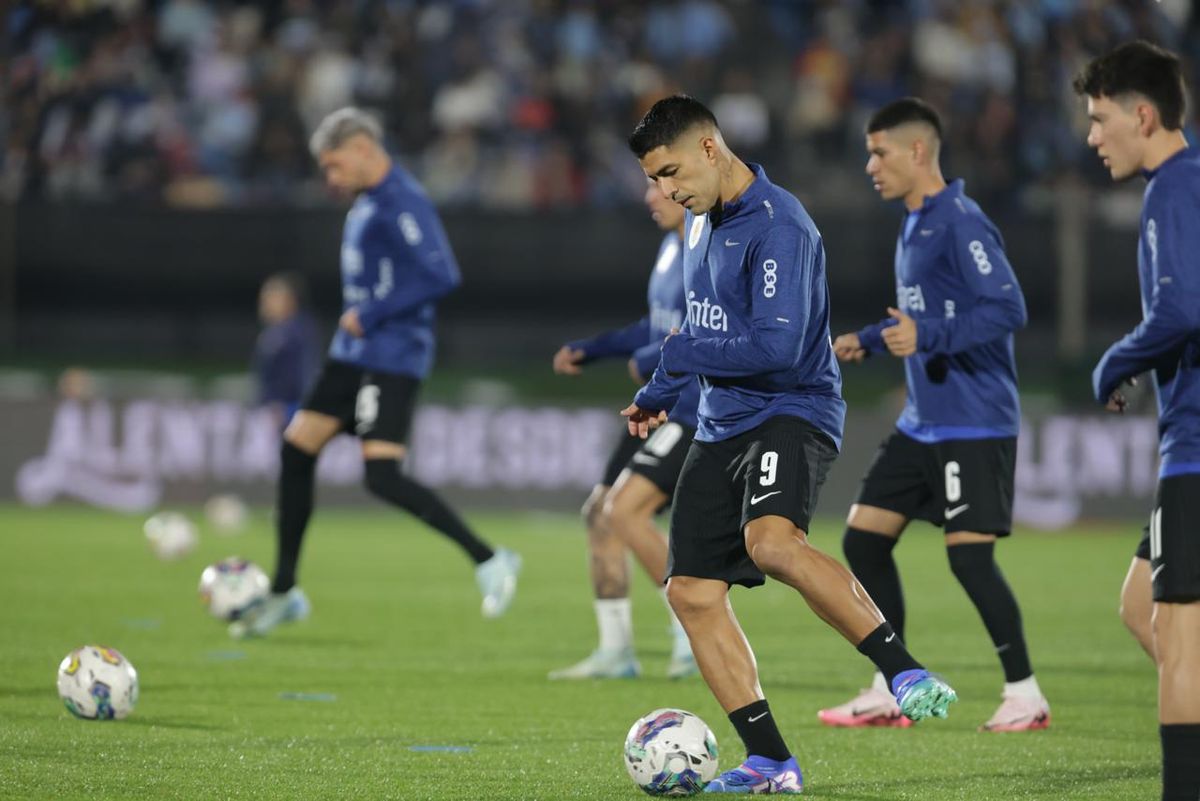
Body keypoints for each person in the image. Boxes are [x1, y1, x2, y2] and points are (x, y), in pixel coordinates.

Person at [621, 95, 956, 795]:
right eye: (655, 179)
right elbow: (702, 323)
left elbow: (773, 346)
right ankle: (771, 759)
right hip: (720, 421)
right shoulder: (698, 219)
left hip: (790, 407)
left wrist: (681, 352)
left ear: (711, 149)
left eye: (671, 172)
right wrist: (659, 390)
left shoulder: (781, 226)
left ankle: (902, 668)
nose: (666, 190)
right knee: (691, 591)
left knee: (772, 541)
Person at [231, 107, 521, 638]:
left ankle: (490, 558)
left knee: (381, 475)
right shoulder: (368, 202)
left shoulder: (402, 200)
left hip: (391, 356)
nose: (331, 179)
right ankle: (284, 590)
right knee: (296, 449)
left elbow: (441, 273)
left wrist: (373, 312)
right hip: (353, 356)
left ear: (365, 147)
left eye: (336, 165)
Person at [821, 97, 1047, 732]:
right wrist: (868, 339)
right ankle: (891, 684)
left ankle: (1026, 694)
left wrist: (929, 336)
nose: (870, 165)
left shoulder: (960, 221)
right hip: (924, 419)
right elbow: (917, 314)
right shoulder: (915, 221)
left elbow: (1008, 309)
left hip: (974, 421)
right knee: (863, 539)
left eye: (879, 152)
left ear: (917, 152)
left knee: (969, 560)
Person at [1074, 41, 1200, 801]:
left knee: (1178, 633)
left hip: (1195, 448)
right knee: (1136, 603)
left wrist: (1114, 359)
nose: (1092, 136)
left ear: (1143, 115)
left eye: (1099, 118)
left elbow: (1182, 309)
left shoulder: (1171, 188)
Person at [548, 182, 699, 681]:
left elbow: (702, 333)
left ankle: (690, 631)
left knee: (626, 511)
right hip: (655, 404)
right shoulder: (671, 246)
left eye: (659, 189)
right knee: (602, 513)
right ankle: (616, 651)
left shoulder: (708, 246)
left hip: (691, 410)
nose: (650, 200)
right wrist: (595, 349)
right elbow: (656, 328)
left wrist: (646, 361)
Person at [253, 272, 319, 430]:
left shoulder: (297, 332)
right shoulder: (274, 332)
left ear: (289, 300)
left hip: (288, 412)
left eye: (271, 298)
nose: (265, 304)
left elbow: (305, 374)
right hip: (273, 411)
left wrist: (293, 409)